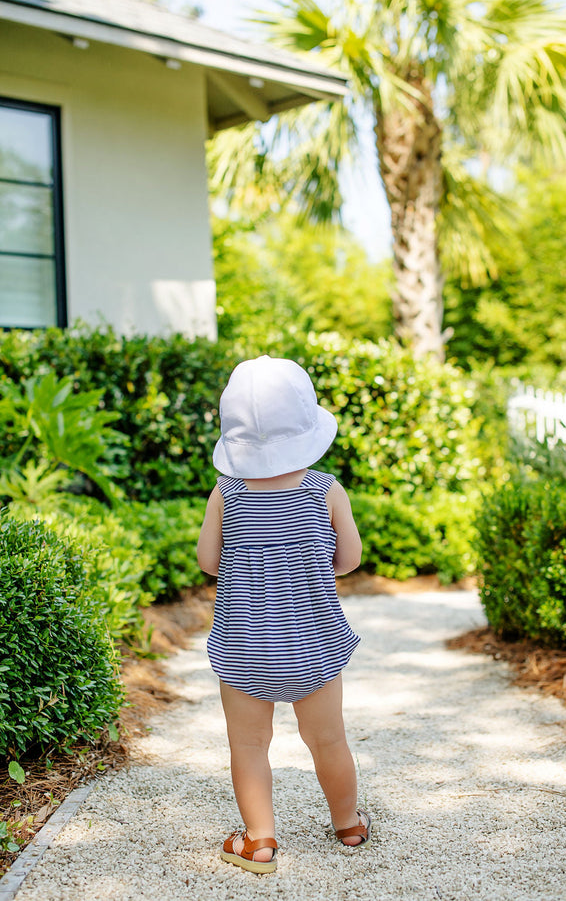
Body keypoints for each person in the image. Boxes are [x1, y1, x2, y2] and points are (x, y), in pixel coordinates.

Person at [196, 355, 371, 875]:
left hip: (244, 647)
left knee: (249, 744)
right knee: (328, 739)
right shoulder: (325, 489)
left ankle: (259, 840)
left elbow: (208, 562)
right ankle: (348, 825)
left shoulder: (226, 493)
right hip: (314, 645)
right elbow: (350, 558)